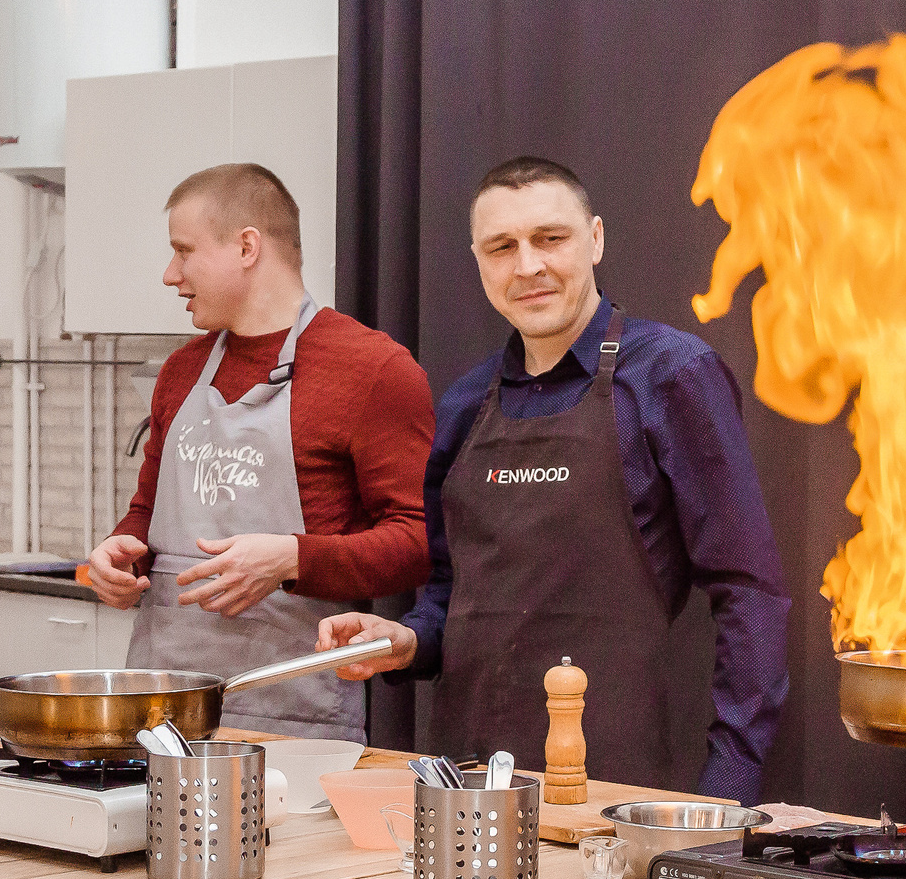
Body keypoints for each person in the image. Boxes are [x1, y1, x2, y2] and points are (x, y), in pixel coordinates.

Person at [317, 156, 789, 800]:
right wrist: (408, 640)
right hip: (473, 791)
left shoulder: (671, 376)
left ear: (595, 239)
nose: (528, 266)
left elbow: (750, 592)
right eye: (502, 247)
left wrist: (726, 787)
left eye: (550, 238)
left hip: (630, 794)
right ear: (478, 262)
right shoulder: (464, 404)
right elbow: (452, 593)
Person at [85, 163, 433, 742]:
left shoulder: (374, 370)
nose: (170, 275)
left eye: (183, 251)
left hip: (296, 720)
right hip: (163, 709)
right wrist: (121, 557)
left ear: (248, 247)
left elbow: (420, 542)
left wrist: (291, 559)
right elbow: (147, 514)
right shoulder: (180, 372)